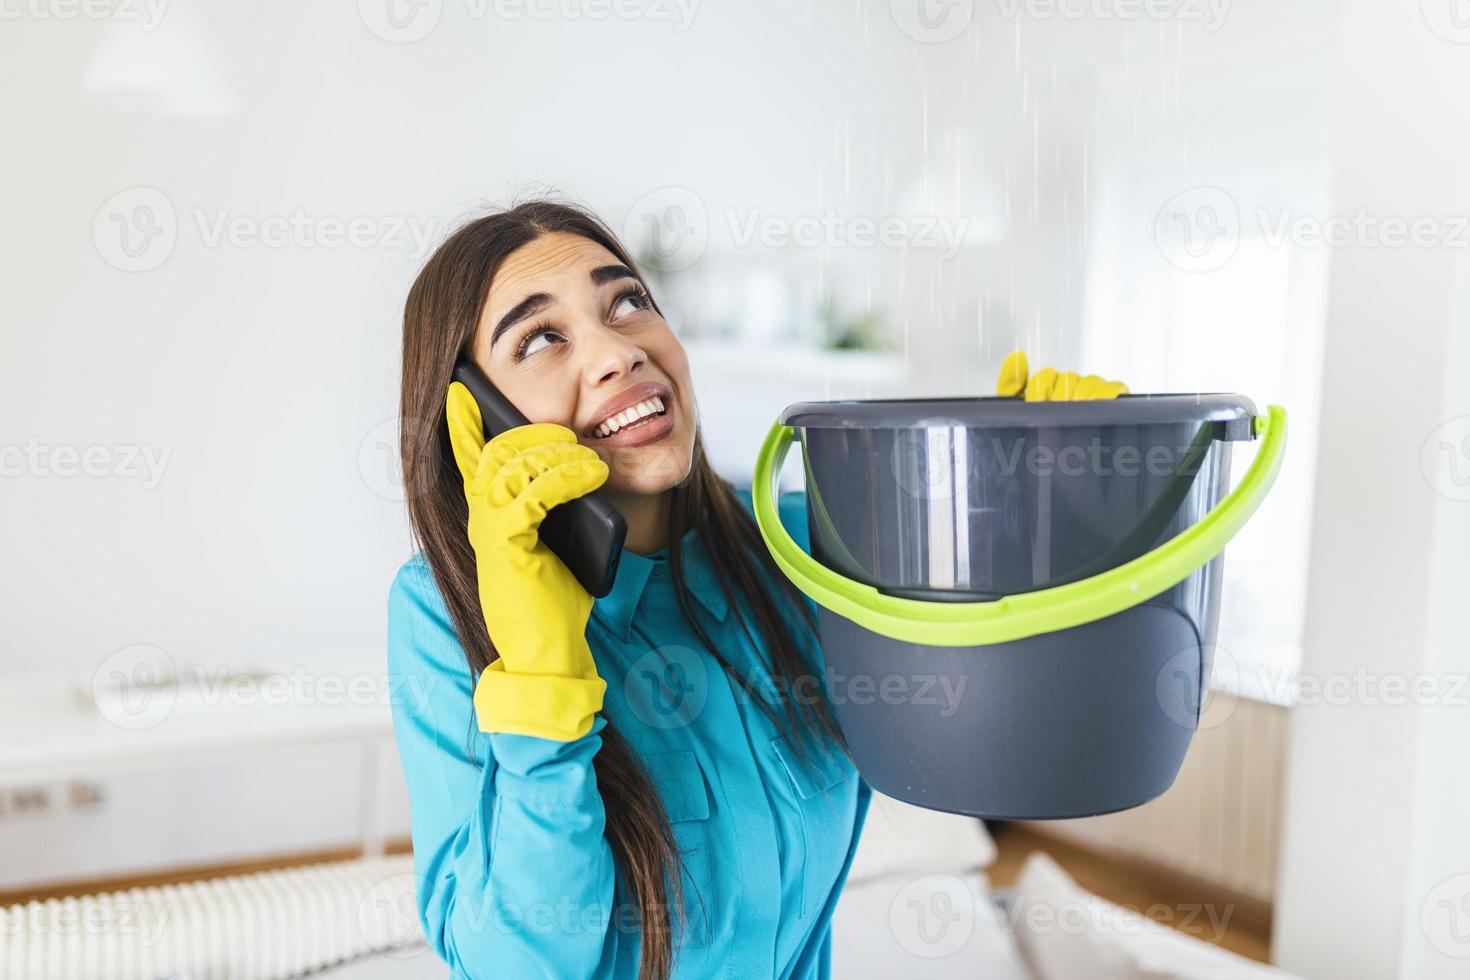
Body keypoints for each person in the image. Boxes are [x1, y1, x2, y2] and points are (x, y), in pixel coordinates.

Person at [386, 198, 1124, 979]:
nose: (617, 352)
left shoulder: (805, 541)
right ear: (473, 419)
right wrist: (539, 679)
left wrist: (1050, 500)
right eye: (541, 337)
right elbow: (518, 964)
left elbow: (1008, 729)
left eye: (628, 302)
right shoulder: (441, 610)